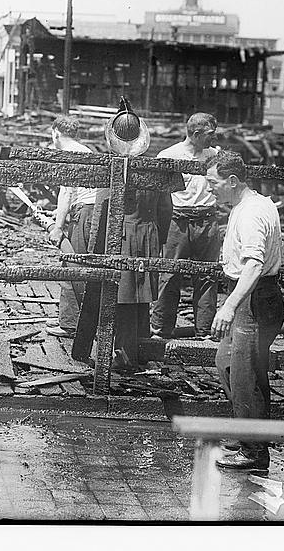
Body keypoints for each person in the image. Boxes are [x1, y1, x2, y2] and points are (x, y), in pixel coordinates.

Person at [205, 150, 284, 471]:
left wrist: (229, 306)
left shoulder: (252, 213)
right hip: (251, 296)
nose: (209, 188)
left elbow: (253, 266)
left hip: (254, 297)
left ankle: (254, 451)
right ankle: (246, 431)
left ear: (233, 181)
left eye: (213, 183)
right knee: (227, 362)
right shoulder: (248, 204)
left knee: (246, 373)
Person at [98, 98, 173, 366]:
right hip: (148, 233)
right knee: (141, 297)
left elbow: (103, 208)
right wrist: (158, 237)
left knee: (121, 298)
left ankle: (124, 353)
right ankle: (138, 348)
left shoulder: (110, 167)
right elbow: (166, 209)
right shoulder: (155, 167)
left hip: (122, 235)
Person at [152, 112, 222, 339]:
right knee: (170, 275)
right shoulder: (169, 155)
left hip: (207, 221)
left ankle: (204, 333)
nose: (214, 138)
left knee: (207, 276)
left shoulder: (215, 155)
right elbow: (156, 193)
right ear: (196, 133)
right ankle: (161, 330)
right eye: (210, 134)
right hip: (177, 221)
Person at [44, 116, 99, 337]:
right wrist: (58, 213)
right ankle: (77, 318)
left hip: (83, 214)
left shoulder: (68, 155)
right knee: (84, 263)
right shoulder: (85, 150)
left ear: (55, 133)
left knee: (72, 263)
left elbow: (67, 192)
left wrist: (57, 227)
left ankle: (70, 324)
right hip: (92, 211)